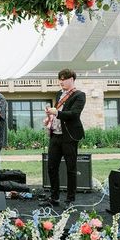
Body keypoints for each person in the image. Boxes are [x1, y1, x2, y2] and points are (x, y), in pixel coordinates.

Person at [42, 68, 86, 208]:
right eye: (60, 79)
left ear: (72, 79)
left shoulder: (79, 95)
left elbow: (74, 114)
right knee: (51, 166)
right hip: (56, 135)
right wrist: (49, 118)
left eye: (64, 79)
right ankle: (54, 198)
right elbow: (57, 114)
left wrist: (57, 112)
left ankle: (70, 200)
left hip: (69, 136)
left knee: (70, 168)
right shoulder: (59, 94)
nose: (61, 82)